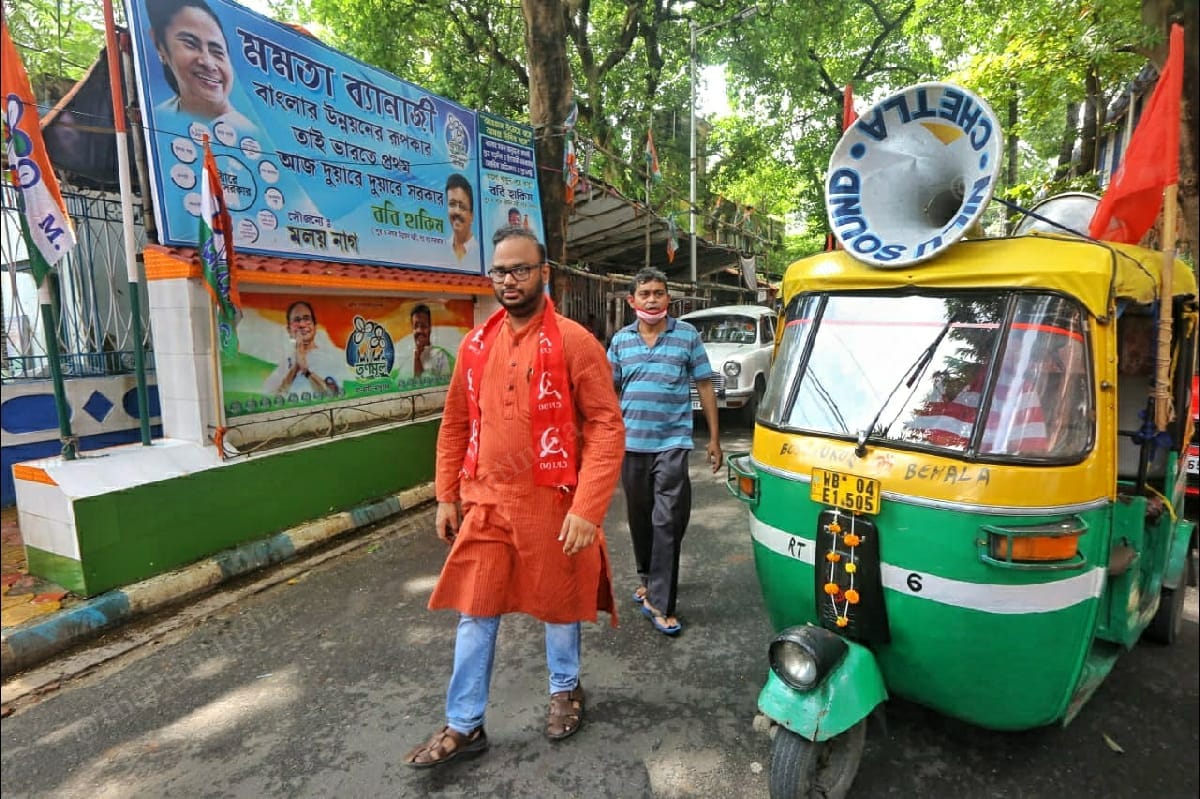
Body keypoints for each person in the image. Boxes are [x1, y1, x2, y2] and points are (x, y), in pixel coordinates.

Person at [403, 225, 625, 768]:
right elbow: (455, 421)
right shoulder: (476, 346)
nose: (508, 280)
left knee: (558, 603)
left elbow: (606, 427)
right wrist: (446, 494)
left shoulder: (575, 342)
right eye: (500, 270)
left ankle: (564, 688)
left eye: (520, 269)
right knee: (475, 610)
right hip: (486, 501)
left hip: (552, 500)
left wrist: (586, 508)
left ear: (543, 274)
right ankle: (464, 724)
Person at [607, 268, 722, 636]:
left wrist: (714, 439)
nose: (652, 299)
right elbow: (608, 394)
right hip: (632, 444)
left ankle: (660, 601)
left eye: (659, 293)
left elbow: (704, 385)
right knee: (640, 519)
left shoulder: (687, 336)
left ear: (668, 298)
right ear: (632, 301)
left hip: (673, 443)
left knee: (668, 520)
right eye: (645, 294)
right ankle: (648, 578)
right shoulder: (621, 342)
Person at [147, 0, 255, 132]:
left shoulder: (248, 135)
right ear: (159, 45)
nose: (209, 63)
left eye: (217, 51)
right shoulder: (158, 118)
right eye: (190, 44)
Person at [263, 300, 342, 397]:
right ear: (289, 330)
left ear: (315, 326)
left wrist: (306, 371)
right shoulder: (285, 364)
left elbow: (333, 395)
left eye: (306, 319)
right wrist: (295, 367)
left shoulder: (330, 357)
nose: (302, 325)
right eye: (296, 320)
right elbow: (274, 399)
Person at [405, 303, 451, 380]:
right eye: (416, 326)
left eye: (423, 326)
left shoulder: (440, 356)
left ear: (430, 328)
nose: (419, 330)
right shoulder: (407, 358)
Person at [445, 173, 479, 265]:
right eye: (452, 204)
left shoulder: (479, 252)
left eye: (462, 207)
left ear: (471, 215)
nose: (456, 212)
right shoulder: (442, 249)